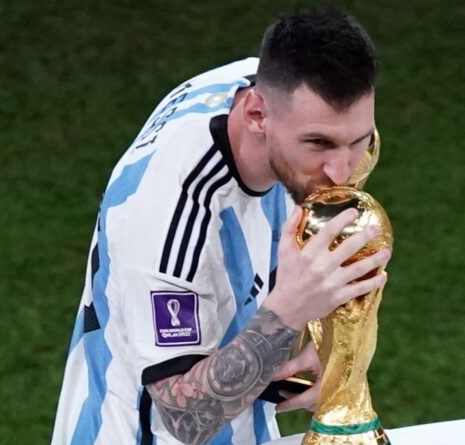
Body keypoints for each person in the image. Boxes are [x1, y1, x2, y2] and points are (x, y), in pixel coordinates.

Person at [51, 6, 390, 445]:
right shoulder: (167, 213)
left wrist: (326, 349)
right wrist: (288, 312)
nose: (342, 173)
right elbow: (182, 416)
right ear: (256, 116)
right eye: (319, 144)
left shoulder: (277, 93)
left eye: (359, 139)